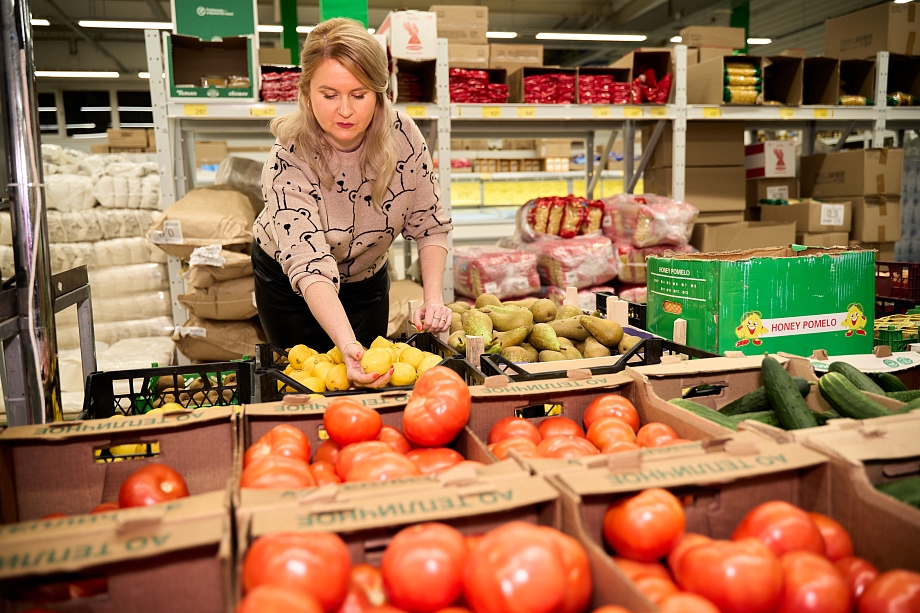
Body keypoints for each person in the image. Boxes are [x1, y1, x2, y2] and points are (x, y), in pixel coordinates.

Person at [252, 18, 453, 388]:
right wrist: (346, 345)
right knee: (304, 382)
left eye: (358, 95)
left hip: (365, 278)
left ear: (380, 93)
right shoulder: (289, 156)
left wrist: (434, 298)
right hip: (291, 287)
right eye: (329, 95)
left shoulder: (404, 137)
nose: (344, 110)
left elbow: (430, 223)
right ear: (307, 92)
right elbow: (308, 262)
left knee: (373, 384)